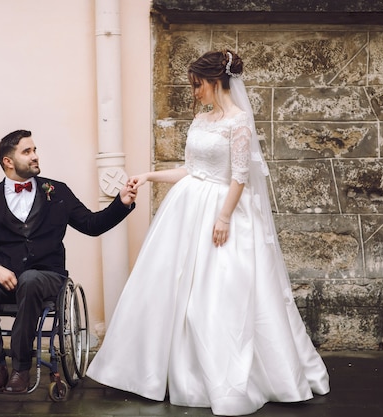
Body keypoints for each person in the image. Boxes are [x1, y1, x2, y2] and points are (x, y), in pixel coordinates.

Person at [86, 50, 330, 416]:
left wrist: (224, 217)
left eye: (198, 85)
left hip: (223, 211)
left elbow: (240, 176)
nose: (195, 92)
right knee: (171, 287)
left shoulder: (239, 121)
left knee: (217, 294)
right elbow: (191, 169)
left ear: (216, 81)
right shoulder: (201, 119)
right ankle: (162, 370)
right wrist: (150, 176)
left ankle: (224, 376)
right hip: (186, 209)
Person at [0, 129, 136, 394]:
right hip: (4, 279)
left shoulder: (57, 192)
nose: (35, 156)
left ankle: (21, 368)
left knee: (31, 280)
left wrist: (121, 203)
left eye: (34, 150)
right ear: (8, 161)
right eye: (27, 151)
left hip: (47, 276)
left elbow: (91, 224)